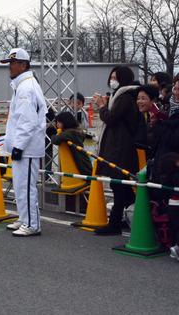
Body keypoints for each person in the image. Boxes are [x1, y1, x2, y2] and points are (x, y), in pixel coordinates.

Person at [0, 48, 47, 237]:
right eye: (9, 63)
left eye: (13, 63)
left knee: (26, 185)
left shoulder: (26, 87)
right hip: (24, 145)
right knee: (20, 184)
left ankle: (32, 224)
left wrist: (18, 146)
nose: (10, 67)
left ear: (23, 65)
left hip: (27, 147)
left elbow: (28, 120)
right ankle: (24, 217)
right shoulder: (23, 85)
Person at [92, 65, 140, 235]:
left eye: (116, 78)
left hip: (122, 149)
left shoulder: (125, 97)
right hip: (119, 147)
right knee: (122, 187)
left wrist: (102, 106)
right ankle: (131, 217)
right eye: (111, 77)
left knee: (119, 186)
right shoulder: (119, 96)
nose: (112, 81)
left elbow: (111, 119)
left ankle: (115, 223)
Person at [50, 111, 92, 176]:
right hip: (82, 158)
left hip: (79, 160)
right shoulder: (77, 131)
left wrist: (53, 135)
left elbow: (55, 140)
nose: (57, 124)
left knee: (85, 174)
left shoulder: (69, 134)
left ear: (65, 122)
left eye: (58, 122)